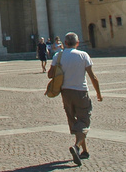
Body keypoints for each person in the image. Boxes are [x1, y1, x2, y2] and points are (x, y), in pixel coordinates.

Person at [47, 32, 102, 165]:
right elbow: (92, 76)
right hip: (81, 92)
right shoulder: (83, 55)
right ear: (77, 43)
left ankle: (85, 151)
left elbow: (50, 75)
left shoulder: (58, 56)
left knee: (75, 122)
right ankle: (76, 146)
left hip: (66, 93)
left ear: (65, 43)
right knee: (84, 122)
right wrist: (99, 93)